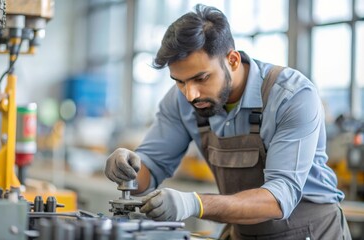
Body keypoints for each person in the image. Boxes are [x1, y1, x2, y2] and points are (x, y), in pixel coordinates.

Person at [105, 4, 351, 239]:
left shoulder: (292, 96)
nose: (190, 94)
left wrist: (195, 203)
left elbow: (278, 199)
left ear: (232, 60)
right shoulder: (182, 101)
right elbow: (151, 167)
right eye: (179, 81)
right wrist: (129, 170)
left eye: (201, 78)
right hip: (244, 232)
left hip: (309, 231)